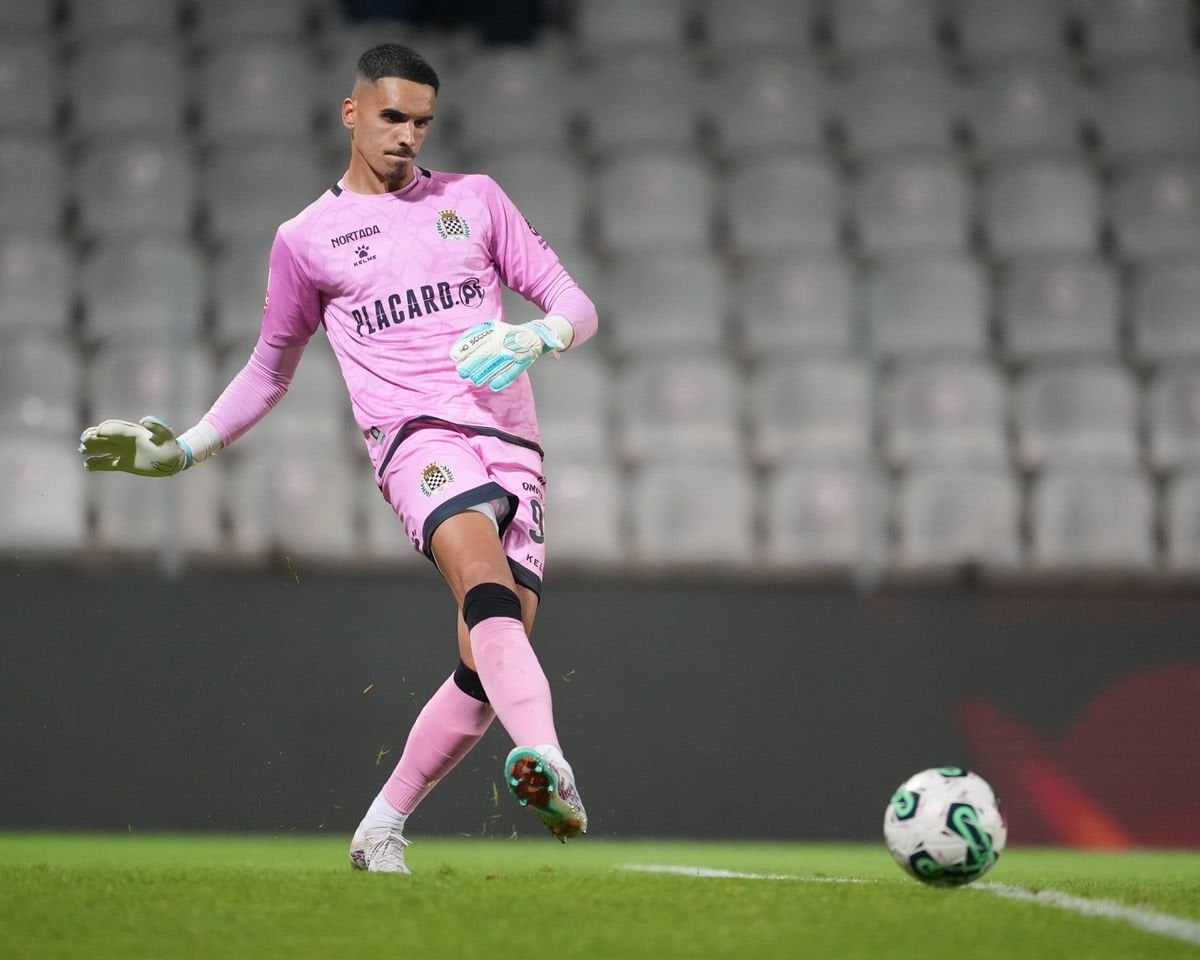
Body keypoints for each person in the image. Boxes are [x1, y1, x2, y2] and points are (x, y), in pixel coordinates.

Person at [77, 42, 598, 875]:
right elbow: (268, 370)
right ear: (352, 113)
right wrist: (182, 451)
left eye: (422, 122)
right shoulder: (306, 239)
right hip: (416, 442)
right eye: (392, 117)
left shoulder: (475, 199)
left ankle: (381, 828)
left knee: (487, 659)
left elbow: (574, 300)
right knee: (483, 584)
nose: (407, 137)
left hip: (512, 446)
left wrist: (542, 333)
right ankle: (549, 758)